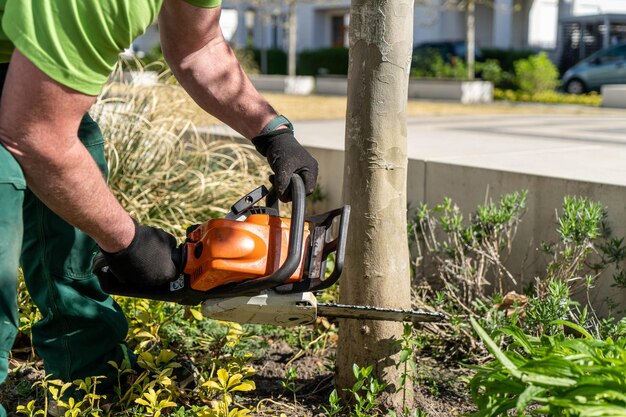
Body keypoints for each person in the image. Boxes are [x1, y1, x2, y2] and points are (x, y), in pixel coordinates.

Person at [0, 1, 318, 415]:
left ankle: (95, 377)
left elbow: (198, 45)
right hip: (27, 87)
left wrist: (272, 133)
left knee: (75, 202)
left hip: (18, 63)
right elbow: (38, 137)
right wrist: (128, 243)